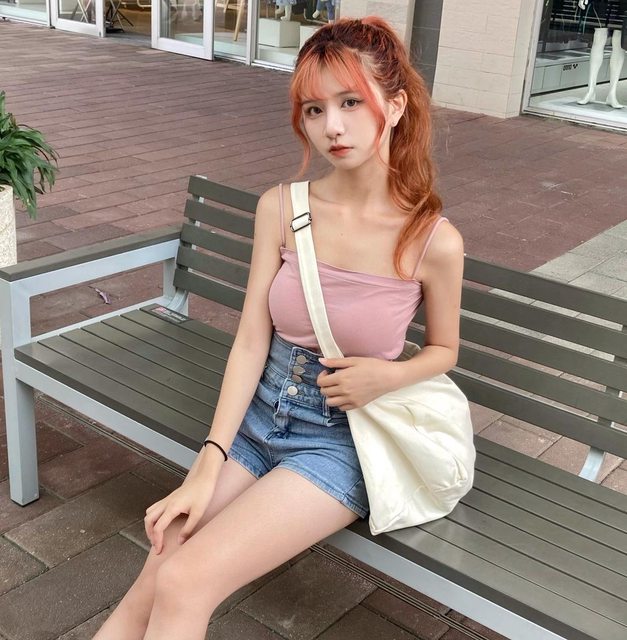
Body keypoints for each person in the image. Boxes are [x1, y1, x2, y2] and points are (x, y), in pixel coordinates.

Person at [93, 15, 464, 640]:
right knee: (159, 564)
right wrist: (207, 462)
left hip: (340, 440)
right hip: (259, 416)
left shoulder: (433, 240)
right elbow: (250, 340)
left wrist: (387, 376)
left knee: (186, 580)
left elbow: (445, 350)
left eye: (350, 102)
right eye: (315, 110)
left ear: (396, 106)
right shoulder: (282, 208)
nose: (332, 126)